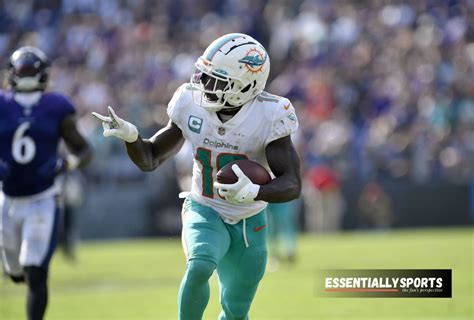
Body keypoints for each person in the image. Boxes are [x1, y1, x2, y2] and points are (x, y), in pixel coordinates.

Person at [93, 33, 301, 320]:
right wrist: (131, 137)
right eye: (204, 75)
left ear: (246, 85)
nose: (204, 85)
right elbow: (151, 158)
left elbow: (292, 183)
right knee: (200, 264)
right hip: (205, 208)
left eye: (217, 81)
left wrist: (255, 191)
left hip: (249, 219)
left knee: (236, 310)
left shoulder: (270, 113)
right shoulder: (190, 102)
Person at [0, 46, 92, 320]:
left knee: (35, 271)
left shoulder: (55, 107)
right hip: (7, 198)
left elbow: (83, 150)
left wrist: (66, 164)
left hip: (42, 199)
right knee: (16, 274)